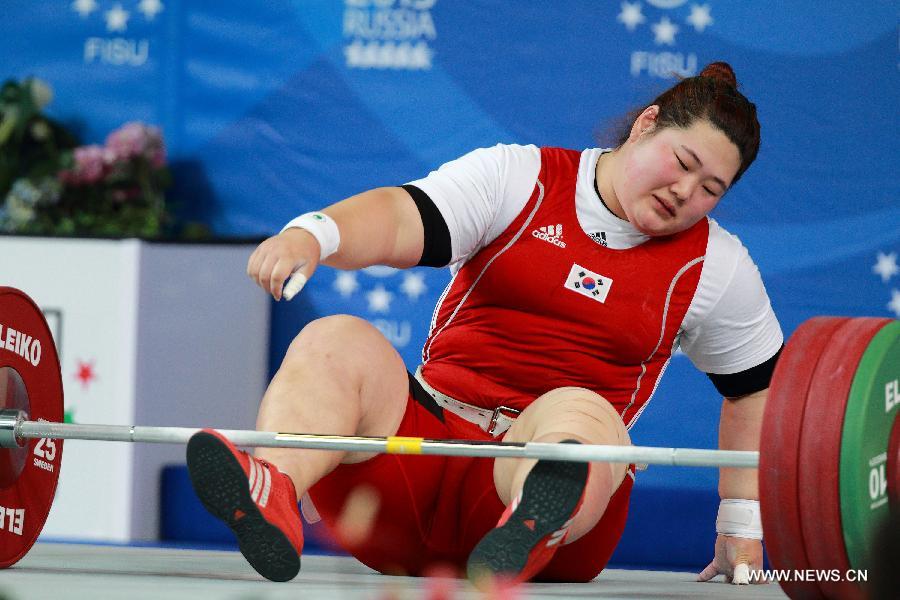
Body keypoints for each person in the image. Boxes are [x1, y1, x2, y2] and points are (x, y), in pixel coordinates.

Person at [186, 61, 782, 586]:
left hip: (564, 520)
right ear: (646, 123)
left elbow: (752, 393)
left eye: (711, 189)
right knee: (334, 338)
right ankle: (275, 488)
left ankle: (530, 520)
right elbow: (400, 217)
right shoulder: (519, 179)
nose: (684, 192)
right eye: (683, 163)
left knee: (582, 412)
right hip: (411, 472)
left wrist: (740, 528)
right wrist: (315, 233)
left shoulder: (718, 267)